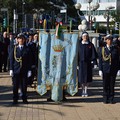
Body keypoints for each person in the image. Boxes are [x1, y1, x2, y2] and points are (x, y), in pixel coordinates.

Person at [9, 33, 32, 104]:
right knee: (15, 86)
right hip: (16, 70)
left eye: (22, 39)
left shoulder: (27, 49)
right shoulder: (14, 48)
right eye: (19, 39)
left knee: (24, 86)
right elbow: (11, 59)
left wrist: (29, 70)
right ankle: (15, 99)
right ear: (17, 40)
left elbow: (29, 60)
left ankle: (24, 98)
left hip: (24, 70)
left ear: (24, 40)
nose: (21, 40)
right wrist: (11, 69)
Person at [98, 34, 120, 104]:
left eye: (110, 39)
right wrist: (100, 69)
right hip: (105, 69)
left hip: (113, 69)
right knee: (105, 84)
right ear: (106, 41)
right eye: (108, 40)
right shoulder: (102, 49)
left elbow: (118, 60)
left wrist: (119, 69)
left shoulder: (115, 49)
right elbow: (101, 60)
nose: (109, 41)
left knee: (112, 84)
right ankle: (105, 98)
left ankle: (111, 98)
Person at [78, 32, 98, 97]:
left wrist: (94, 63)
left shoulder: (90, 45)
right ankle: (82, 90)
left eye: (86, 36)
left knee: (87, 78)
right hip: (81, 64)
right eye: (84, 36)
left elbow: (93, 54)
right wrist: (76, 64)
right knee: (81, 78)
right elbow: (77, 54)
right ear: (82, 37)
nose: (85, 37)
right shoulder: (79, 45)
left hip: (88, 64)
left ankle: (86, 90)